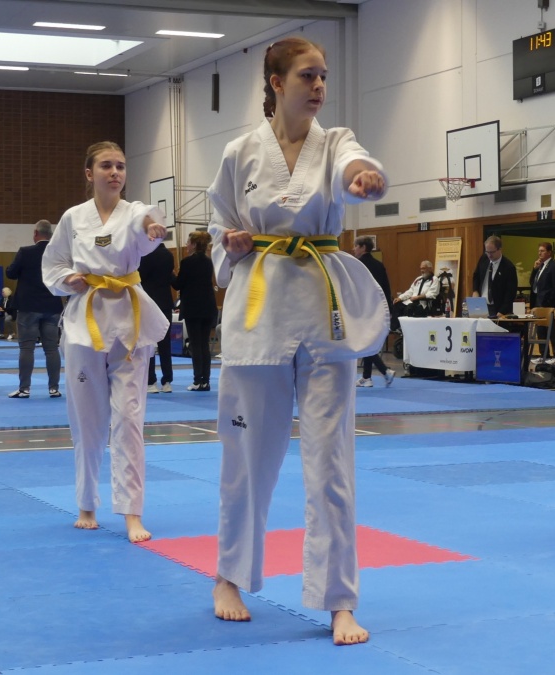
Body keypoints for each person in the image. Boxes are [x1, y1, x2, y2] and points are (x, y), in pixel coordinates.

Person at [207, 37, 388, 645]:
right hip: (257, 316)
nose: (319, 86)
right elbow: (218, 224)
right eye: (308, 76)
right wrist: (230, 244)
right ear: (277, 81)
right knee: (246, 459)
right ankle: (229, 576)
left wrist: (364, 179)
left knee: (332, 463)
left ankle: (339, 600)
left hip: (324, 320)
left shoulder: (335, 142)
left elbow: (353, 166)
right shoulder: (239, 153)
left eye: (324, 76)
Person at [42, 141, 170, 544]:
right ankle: (86, 504)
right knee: (87, 419)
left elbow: (149, 222)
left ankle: (132, 512)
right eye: (106, 166)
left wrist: (153, 228)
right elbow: (53, 263)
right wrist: (68, 279)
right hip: (86, 320)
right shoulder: (73, 218)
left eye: (120, 166)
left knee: (130, 418)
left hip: (129, 321)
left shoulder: (134, 212)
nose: (115, 172)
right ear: (89, 173)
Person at [6, 220, 64, 399]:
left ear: (36, 233)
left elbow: (11, 273)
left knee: (26, 348)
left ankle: (24, 388)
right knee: (51, 349)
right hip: (52, 306)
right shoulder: (58, 253)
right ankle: (54, 388)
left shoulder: (26, 252)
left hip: (29, 306)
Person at [171, 230, 218, 392]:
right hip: (208, 307)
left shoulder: (187, 262)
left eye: (188, 242)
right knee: (204, 344)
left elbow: (178, 284)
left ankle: (197, 380)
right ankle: (205, 381)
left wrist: (171, 273)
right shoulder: (208, 262)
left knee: (196, 345)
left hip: (193, 308)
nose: (186, 245)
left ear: (194, 244)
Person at [353, 236, 395, 387]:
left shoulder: (358, 265)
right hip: (378, 308)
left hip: (364, 308)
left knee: (365, 342)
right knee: (368, 341)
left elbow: (355, 288)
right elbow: (386, 287)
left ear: (363, 247)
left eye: (356, 246)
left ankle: (384, 371)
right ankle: (367, 377)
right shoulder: (379, 265)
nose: (354, 249)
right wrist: (389, 309)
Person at [138, 242, 176, 393]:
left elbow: (140, 277)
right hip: (165, 301)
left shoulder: (145, 255)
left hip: (149, 302)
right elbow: (170, 276)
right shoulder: (168, 255)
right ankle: (167, 381)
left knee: (149, 342)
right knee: (165, 343)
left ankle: (151, 381)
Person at [529, 242, 555, 363]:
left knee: (551, 330)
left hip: (547, 303)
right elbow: (532, 283)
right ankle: (544, 354)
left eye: (542, 251)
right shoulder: (540, 266)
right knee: (540, 330)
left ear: (549, 252)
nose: (540, 253)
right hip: (538, 302)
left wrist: (548, 300)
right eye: (539, 251)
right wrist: (534, 270)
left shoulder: (553, 266)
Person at [471, 235, 517, 316]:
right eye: (487, 252)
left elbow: (510, 293)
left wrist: (502, 311)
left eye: (492, 252)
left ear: (500, 249)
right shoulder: (484, 259)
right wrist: (475, 291)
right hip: (481, 304)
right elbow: (476, 275)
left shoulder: (508, 267)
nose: (489, 255)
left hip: (498, 308)